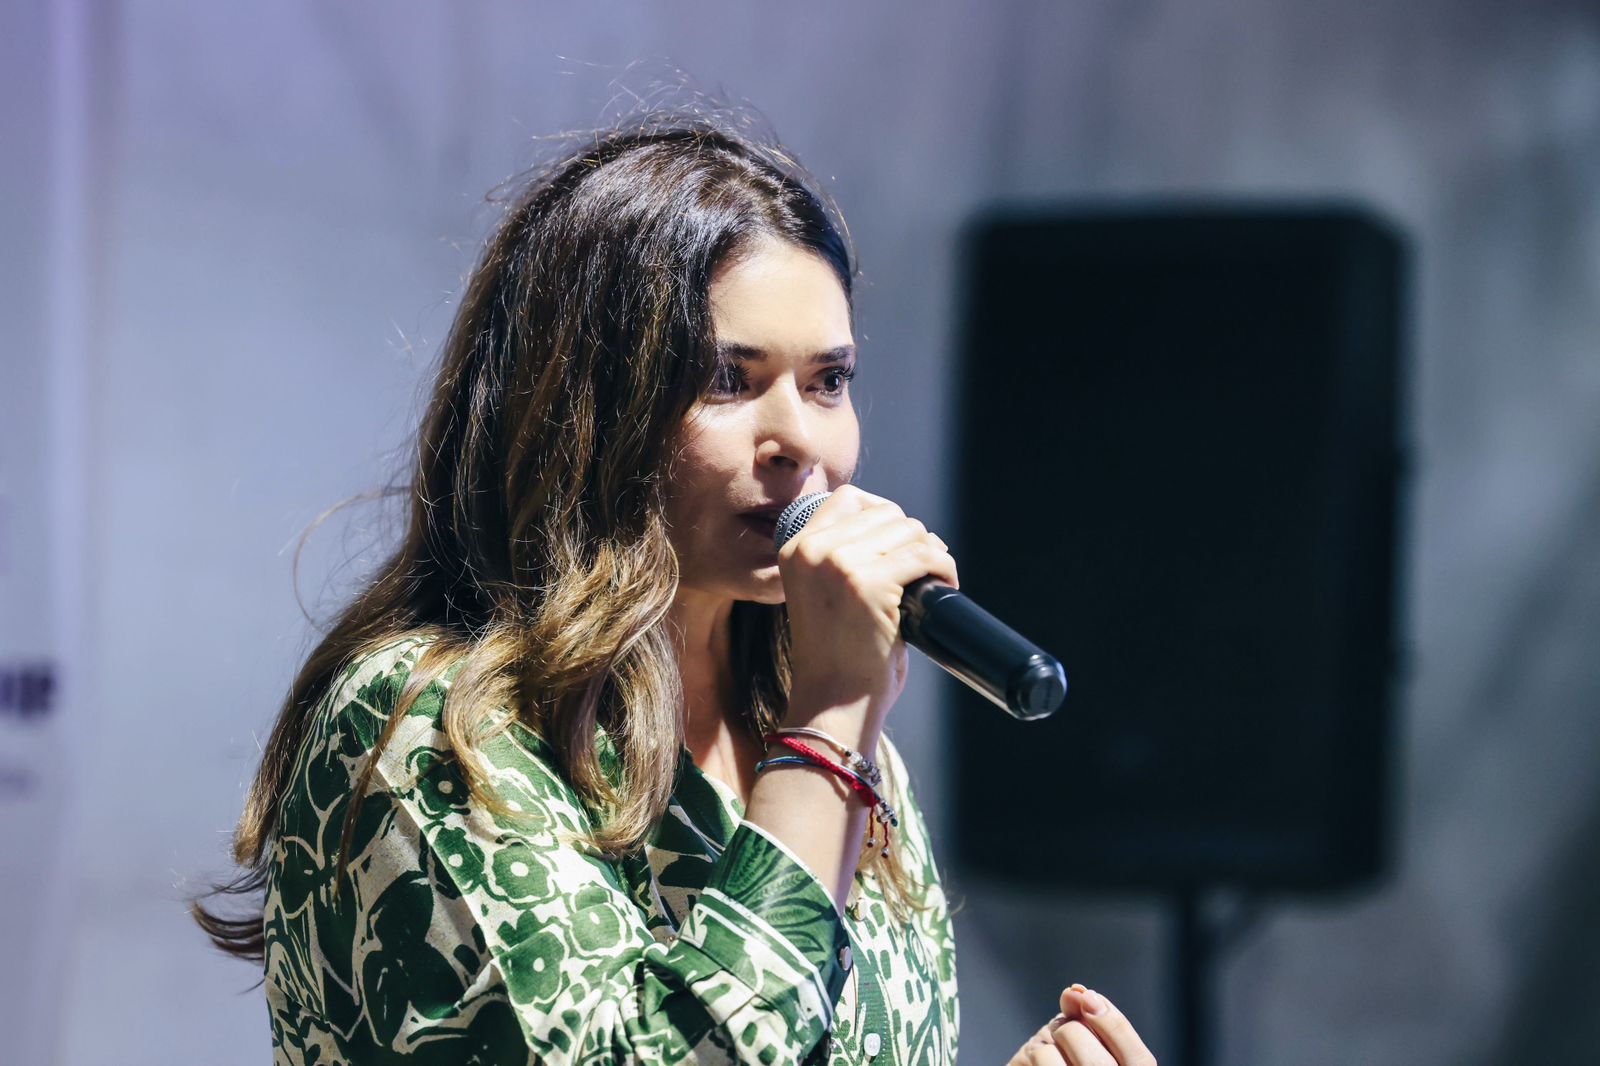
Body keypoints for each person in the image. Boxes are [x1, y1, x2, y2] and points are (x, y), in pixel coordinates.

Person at [195, 111, 1157, 1066]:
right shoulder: (432, 723)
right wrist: (828, 731)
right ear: (586, 409)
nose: (799, 440)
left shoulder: (826, 732)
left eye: (828, 382)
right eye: (728, 379)